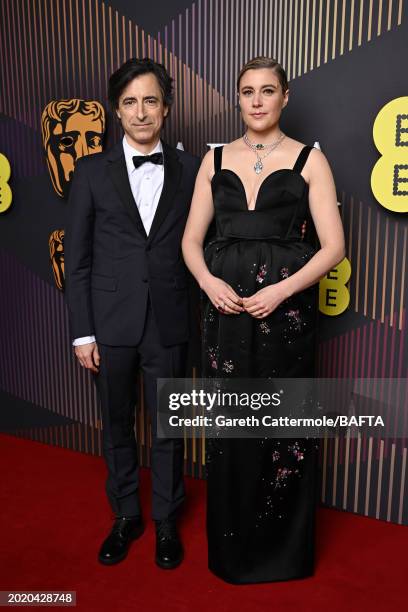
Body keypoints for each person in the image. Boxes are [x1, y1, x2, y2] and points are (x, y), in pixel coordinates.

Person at [182, 56, 345, 584]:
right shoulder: (214, 161)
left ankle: (282, 556)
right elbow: (190, 241)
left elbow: (334, 247)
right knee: (231, 430)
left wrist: (280, 290)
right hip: (224, 316)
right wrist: (209, 282)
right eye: (248, 91)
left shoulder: (309, 162)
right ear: (238, 97)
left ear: (284, 97)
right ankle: (233, 554)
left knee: (282, 431)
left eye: (267, 90)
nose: (257, 100)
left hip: (287, 317)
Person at [65, 58, 200, 569]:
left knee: (169, 426)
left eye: (150, 100)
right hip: (110, 322)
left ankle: (167, 520)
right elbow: (77, 259)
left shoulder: (191, 170)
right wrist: (83, 333)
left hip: (169, 319)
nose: (140, 112)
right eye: (129, 102)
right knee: (116, 423)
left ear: (166, 107)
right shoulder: (90, 172)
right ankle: (126, 515)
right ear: (115, 112)